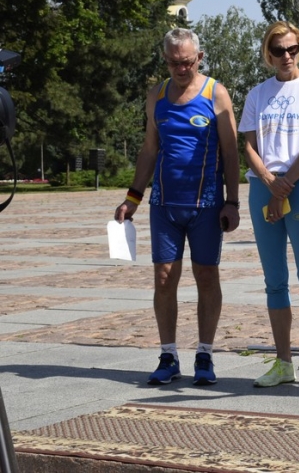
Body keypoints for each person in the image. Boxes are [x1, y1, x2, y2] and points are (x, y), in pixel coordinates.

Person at [114, 27, 241, 387]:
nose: (180, 69)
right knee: (164, 278)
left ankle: (205, 353)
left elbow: (230, 152)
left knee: (206, 276)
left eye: (186, 62)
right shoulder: (156, 95)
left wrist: (232, 201)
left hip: (206, 204)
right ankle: (168, 354)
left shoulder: (215, 94)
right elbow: (150, 149)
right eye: (173, 63)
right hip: (165, 205)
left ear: (198, 58)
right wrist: (133, 197)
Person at [239, 21, 299, 391]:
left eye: (293, 49)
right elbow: (248, 145)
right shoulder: (257, 94)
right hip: (264, 187)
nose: (286, 56)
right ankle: (283, 362)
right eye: (278, 50)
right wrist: (268, 182)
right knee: (274, 280)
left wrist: (285, 187)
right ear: (268, 52)